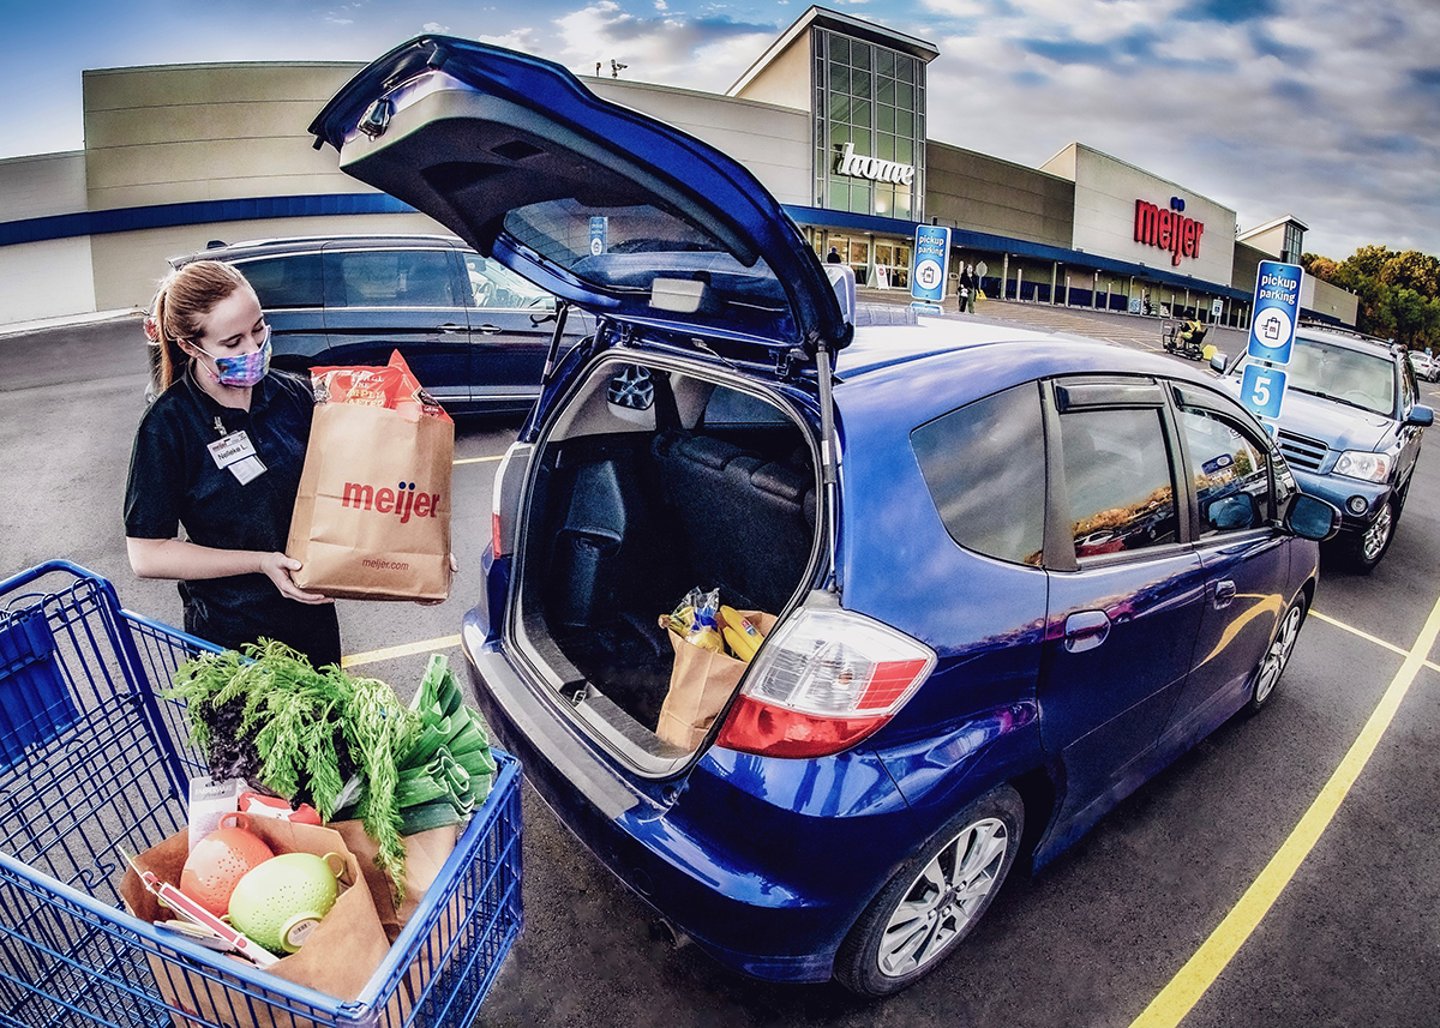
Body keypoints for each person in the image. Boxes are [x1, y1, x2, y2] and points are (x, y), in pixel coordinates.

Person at [124, 260, 343, 666]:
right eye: (233, 343)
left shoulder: (290, 396)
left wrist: (402, 543)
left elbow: (340, 487)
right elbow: (147, 554)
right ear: (190, 346)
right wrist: (260, 563)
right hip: (232, 643)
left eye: (258, 329)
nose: (253, 349)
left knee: (326, 729)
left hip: (311, 624)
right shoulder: (169, 426)